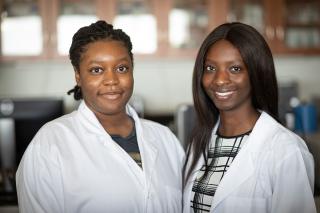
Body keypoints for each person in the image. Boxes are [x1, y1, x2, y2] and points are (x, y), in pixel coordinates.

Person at [16, 20, 185, 213]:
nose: (112, 80)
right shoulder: (50, 143)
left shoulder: (165, 139)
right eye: (97, 70)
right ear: (78, 76)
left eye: (121, 68)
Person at [183, 22, 316, 213]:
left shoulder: (286, 149)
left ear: (256, 74)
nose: (220, 80)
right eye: (211, 68)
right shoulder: (199, 142)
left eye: (235, 69)